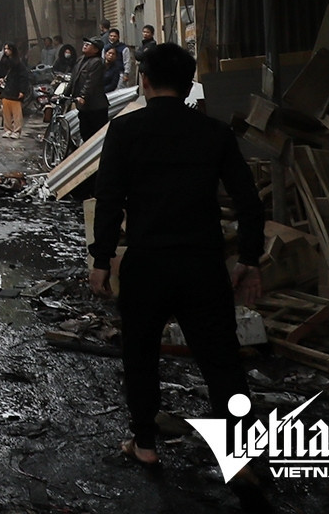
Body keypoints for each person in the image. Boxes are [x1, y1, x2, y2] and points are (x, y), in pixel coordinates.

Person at [89, 42, 265, 471]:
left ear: (145, 81)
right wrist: (249, 258)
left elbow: (109, 200)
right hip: (202, 264)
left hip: (147, 263)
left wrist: (102, 259)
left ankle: (145, 443)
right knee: (221, 361)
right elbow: (248, 199)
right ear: (188, 86)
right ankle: (241, 453)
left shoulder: (125, 130)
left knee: (141, 355)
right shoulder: (214, 133)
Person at [0, 41, 30, 137]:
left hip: (15, 91)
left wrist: (22, 91)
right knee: (5, 112)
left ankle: (16, 131)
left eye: (8, 49)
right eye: (5, 49)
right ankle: (7, 129)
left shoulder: (19, 64)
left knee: (17, 113)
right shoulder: (2, 63)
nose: (6, 51)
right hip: (5, 91)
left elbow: (23, 78)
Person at [73, 37, 110, 141]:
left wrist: (83, 96)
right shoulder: (80, 60)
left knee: (97, 137)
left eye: (88, 44)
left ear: (96, 50)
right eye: (85, 43)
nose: (85, 45)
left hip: (96, 107)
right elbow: (73, 80)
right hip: (84, 107)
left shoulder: (97, 62)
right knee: (85, 134)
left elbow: (91, 82)